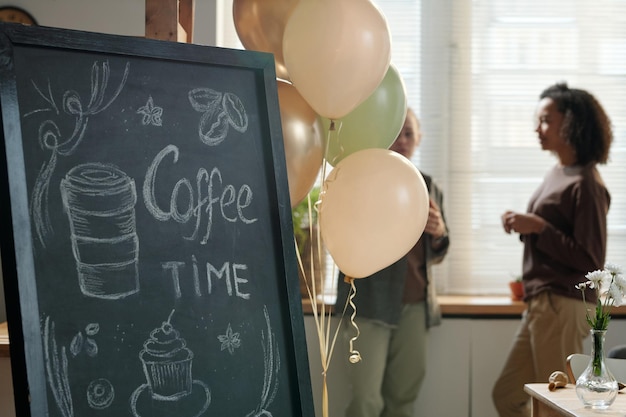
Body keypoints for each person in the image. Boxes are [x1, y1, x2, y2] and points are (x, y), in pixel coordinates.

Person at [492, 82, 613, 417]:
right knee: (506, 394)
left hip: (562, 304)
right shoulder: (558, 173)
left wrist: (539, 228)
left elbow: (591, 260)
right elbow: (551, 231)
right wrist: (527, 225)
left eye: (546, 120)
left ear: (572, 124)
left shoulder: (586, 185)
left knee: (555, 408)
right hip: (542, 304)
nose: (538, 128)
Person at [335, 108, 450, 417]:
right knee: (366, 401)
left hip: (415, 305)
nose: (402, 140)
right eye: (396, 133)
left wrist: (439, 233)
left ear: (420, 138)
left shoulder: (427, 184)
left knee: (403, 399)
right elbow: (341, 239)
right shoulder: (360, 178)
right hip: (369, 304)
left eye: (409, 133)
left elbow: (438, 252)